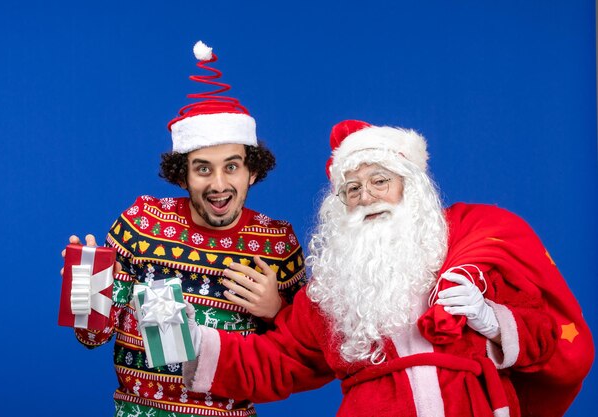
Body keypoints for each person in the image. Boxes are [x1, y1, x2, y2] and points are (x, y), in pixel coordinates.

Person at [182, 119, 593, 416]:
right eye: (353, 189)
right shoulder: (332, 290)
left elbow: (543, 332)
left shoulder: (467, 256)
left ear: (409, 187)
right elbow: (277, 359)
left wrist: (490, 320)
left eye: (380, 181)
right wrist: (187, 339)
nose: (367, 196)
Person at [62, 41, 307, 417]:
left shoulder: (276, 244)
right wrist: (85, 290)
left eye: (232, 166)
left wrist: (275, 310)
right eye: (203, 168)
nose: (219, 183)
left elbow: (302, 353)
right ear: (182, 177)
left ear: (252, 171)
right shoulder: (142, 223)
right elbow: (92, 337)